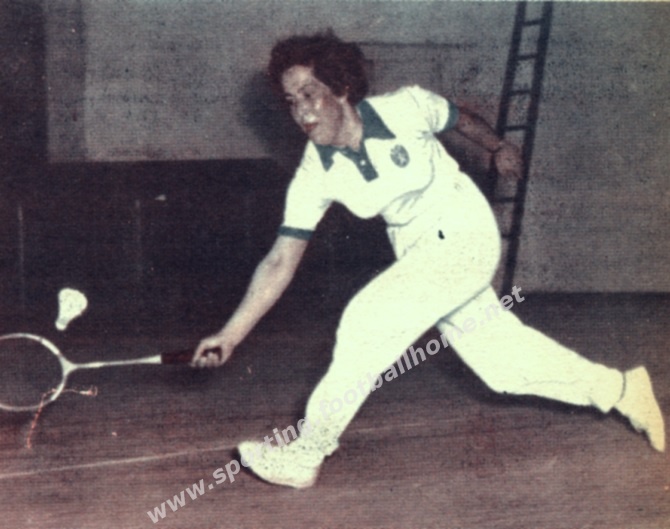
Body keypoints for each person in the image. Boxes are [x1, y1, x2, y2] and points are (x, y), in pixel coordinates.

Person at [193, 32, 665, 488]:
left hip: (462, 228)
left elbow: (461, 119)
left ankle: (307, 452)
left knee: (367, 319)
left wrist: (499, 147)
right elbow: (281, 259)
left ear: (341, 88)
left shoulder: (406, 107)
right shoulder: (315, 171)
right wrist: (229, 335)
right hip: (417, 249)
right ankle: (622, 390)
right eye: (291, 101)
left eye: (309, 94)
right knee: (502, 365)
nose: (301, 111)